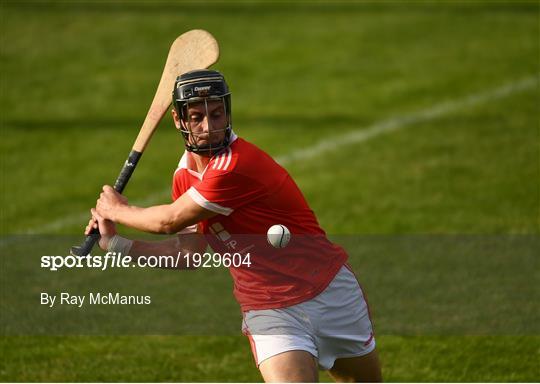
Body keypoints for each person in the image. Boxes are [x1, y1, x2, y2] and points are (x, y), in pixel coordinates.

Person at [86, 69, 382, 382]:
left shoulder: (236, 164)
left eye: (216, 114)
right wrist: (117, 245)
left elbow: (169, 221)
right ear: (178, 119)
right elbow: (187, 255)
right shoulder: (184, 178)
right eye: (197, 116)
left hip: (328, 292)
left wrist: (117, 209)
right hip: (268, 309)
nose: (209, 127)